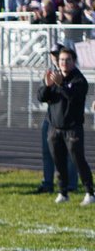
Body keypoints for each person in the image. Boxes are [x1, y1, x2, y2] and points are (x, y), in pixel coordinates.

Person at [37, 45, 95, 204]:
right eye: (61, 60)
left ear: (74, 61)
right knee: (58, 160)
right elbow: (41, 97)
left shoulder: (79, 80)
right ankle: (63, 192)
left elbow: (73, 98)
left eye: (68, 60)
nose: (64, 63)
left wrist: (61, 85)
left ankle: (90, 192)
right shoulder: (54, 76)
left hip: (72, 128)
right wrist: (48, 86)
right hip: (54, 128)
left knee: (78, 160)